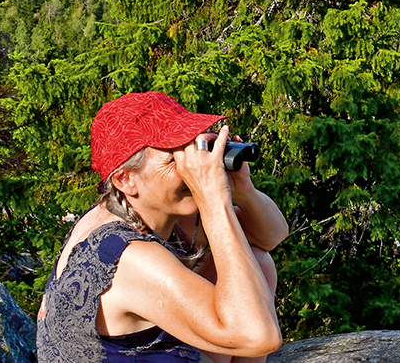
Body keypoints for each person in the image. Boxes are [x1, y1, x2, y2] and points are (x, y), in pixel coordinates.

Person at [38, 91, 288, 362]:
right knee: (247, 310)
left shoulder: (137, 206)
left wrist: (243, 190)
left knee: (258, 262)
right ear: (125, 179)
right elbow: (259, 337)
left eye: (191, 148)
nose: (190, 168)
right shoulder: (128, 258)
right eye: (173, 159)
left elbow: (270, 237)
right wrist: (214, 198)